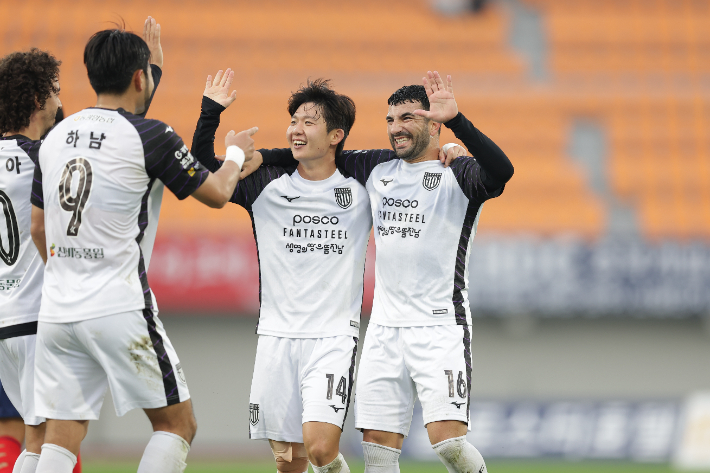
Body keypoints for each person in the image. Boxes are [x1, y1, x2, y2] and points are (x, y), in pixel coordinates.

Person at [258, 71, 514, 473]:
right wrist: (260, 157)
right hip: (383, 330)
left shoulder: (459, 172)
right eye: (390, 120)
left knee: (448, 443)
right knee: (376, 448)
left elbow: (503, 171)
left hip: (439, 326)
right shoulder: (376, 166)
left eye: (407, 118)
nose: (396, 128)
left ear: (434, 123)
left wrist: (458, 123)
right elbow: (317, 150)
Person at [28, 27, 256, 473]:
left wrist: (66, 276)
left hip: (57, 310)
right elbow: (217, 193)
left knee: (61, 436)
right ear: (139, 78)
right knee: (177, 425)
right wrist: (233, 153)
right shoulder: (152, 135)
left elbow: (38, 226)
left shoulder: (56, 136)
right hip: (118, 304)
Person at [0, 18, 163, 473]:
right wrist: (148, 77)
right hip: (38, 314)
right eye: (54, 92)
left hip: (4, 318)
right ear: (37, 100)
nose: (60, 101)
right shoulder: (43, 155)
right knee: (49, 439)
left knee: (37, 438)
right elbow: (116, 143)